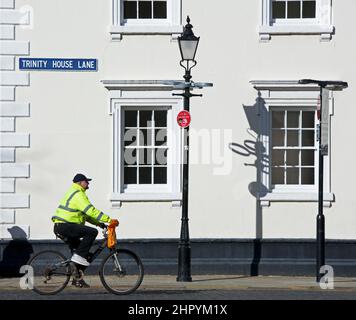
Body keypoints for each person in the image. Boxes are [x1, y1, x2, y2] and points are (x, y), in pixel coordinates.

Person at [52, 173, 118, 288]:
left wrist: (101, 224)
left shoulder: (76, 193)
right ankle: (78, 257)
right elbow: (90, 210)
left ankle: (77, 279)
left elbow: (86, 216)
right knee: (91, 233)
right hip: (64, 226)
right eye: (86, 181)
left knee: (84, 255)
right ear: (80, 182)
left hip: (63, 226)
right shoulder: (78, 194)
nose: (88, 183)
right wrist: (109, 219)